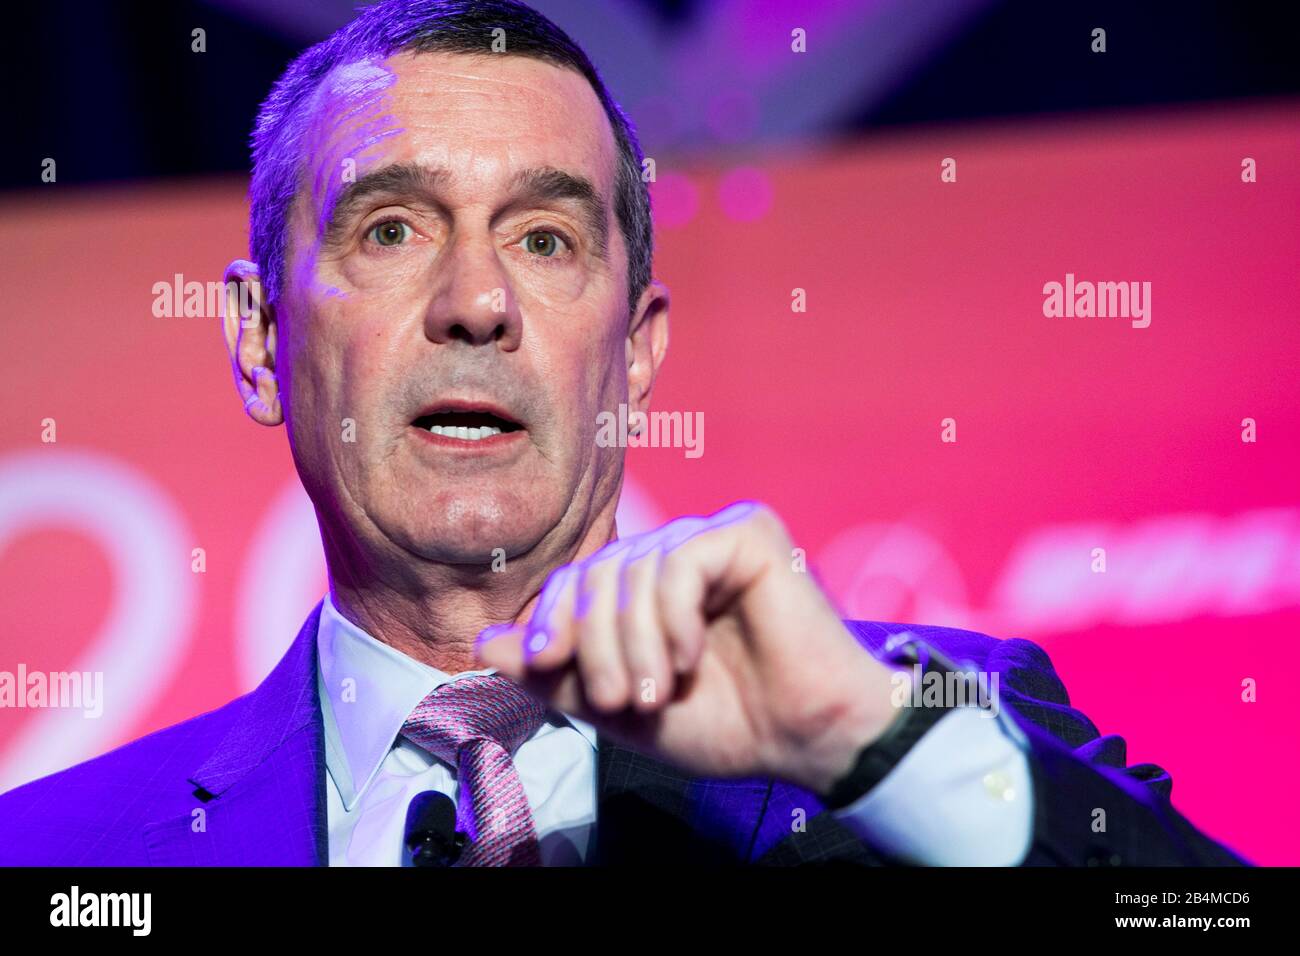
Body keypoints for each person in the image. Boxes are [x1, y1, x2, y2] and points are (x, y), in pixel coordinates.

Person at [0, 0, 1247, 867]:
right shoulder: (57, 850)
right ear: (261, 337)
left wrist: (864, 749)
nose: (476, 301)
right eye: (391, 229)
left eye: (545, 239)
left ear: (637, 354)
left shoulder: (918, 717)